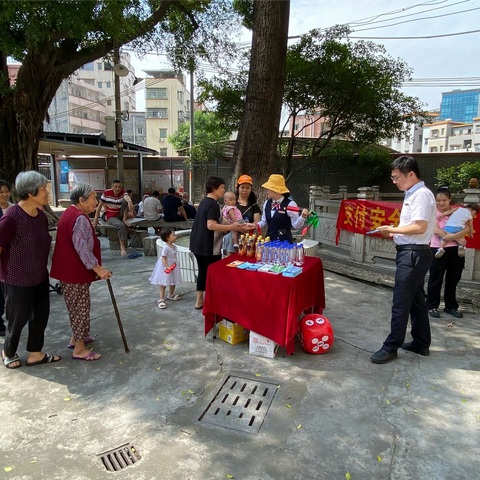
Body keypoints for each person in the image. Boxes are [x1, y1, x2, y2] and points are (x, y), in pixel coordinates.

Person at [371, 156, 436, 364]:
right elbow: (412, 227)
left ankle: (391, 346)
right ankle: (421, 342)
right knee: (416, 300)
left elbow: (420, 227)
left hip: (413, 254)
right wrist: (393, 232)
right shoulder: (413, 193)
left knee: (401, 301)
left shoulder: (421, 195)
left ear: (411, 174)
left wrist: (392, 229)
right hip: (411, 251)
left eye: (396, 177)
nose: (394, 181)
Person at [0, 171, 61, 369]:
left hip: (39, 276)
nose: (47, 193)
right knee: (17, 318)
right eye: (44, 189)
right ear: (30, 192)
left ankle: (35, 353)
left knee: (40, 316)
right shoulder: (11, 218)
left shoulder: (41, 216)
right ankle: (8, 351)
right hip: (16, 279)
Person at [51, 183, 112, 361]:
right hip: (74, 272)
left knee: (77, 306)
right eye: (93, 198)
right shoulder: (79, 218)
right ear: (81, 200)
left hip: (69, 271)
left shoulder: (68, 214)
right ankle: (79, 349)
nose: (96, 201)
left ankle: (77, 338)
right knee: (80, 309)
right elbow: (82, 249)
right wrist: (99, 270)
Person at [190, 176, 251, 310]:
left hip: (196, 244)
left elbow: (220, 221)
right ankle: (215, 301)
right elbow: (211, 225)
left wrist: (236, 225)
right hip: (209, 247)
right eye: (222, 188)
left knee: (202, 272)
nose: (224, 191)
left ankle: (199, 301)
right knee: (214, 274)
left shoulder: (204, 202)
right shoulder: (213, 204)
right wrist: (232, 227)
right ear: (214, 188)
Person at [426, 188, 471, 319]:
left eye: (444, 200)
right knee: (436, 278)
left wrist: (455, 238)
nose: (441, 203)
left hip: (456, 251)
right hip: (438, 249)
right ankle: (432, 305)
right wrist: (457, 238)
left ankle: (450, 306)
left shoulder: (458, 212)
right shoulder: (432, 213)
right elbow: (436, 230)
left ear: (450, 199)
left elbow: (467, 228)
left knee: (453, 278)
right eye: (438, 200)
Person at [257, 174, 309, 243]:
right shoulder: (267, 203)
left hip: (284, 242)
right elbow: (264, 222)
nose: (267, 191)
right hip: (269, 241)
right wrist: (254, 226)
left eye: (268, 188)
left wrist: (302, 217)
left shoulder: (290, 204)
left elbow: (296, 225)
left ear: (276, 190)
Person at [223, 175, 262, 255]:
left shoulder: (254, 206)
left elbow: (257, 221)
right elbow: (223, 217)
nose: (245, 190)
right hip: (232, 238)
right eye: (242, 187)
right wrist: (234, 226)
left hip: (248, 239)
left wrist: (248, 227)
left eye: (248, 188)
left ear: (251, 189)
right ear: (238, 188)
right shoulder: (231, 203)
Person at [93, 179, 132, 256]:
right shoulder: (106, 193)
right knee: (121, 226)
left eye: (119, 187)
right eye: (116, 187)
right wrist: (95, 219)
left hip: (120, 214)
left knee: (125, 201)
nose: (118, 189)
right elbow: (99, 206)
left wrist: (129, 201)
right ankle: (122, 246)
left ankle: (124, 219)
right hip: (111, 216)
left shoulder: (123, 192)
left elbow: (127, 197)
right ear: (112, 187)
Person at [149, 227, 183, 309]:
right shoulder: (166, 248)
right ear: (168, 238)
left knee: (173, 281)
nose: (175, 237)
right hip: (166, 266)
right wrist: (167, 266)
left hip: (173, 265)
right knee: (163, 283)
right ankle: (161, 299)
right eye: (173, 235)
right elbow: (163, 258)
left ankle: (171, 294)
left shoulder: (174, 246)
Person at [0, 179, 14, 337]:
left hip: (10, 259)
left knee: (8, 293)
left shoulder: (13, 209)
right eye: (1, 191)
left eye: (6, 191)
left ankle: (11, 321)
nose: (4, 194)